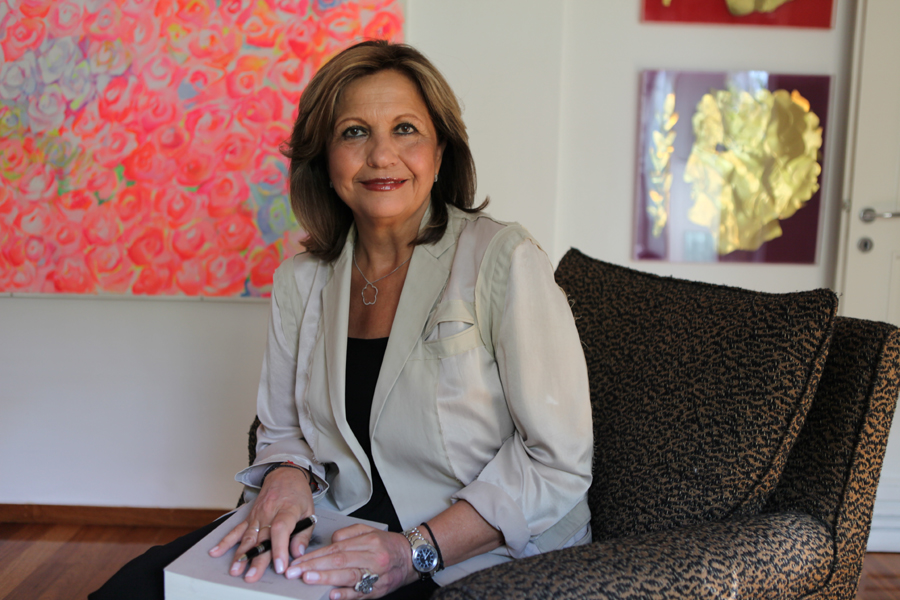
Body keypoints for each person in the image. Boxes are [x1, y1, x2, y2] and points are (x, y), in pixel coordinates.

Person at [90, 40, 591, 600]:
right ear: (326, 161)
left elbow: (557, 462)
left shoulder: (503, 259)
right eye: (355, 132)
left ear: (440, 153)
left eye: (405, 129)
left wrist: (413, 551)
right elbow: (283, 430)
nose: (381, 155)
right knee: (134, 589)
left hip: (477, 554)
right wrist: (287, 475)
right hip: (338, 529)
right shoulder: (301, 281)